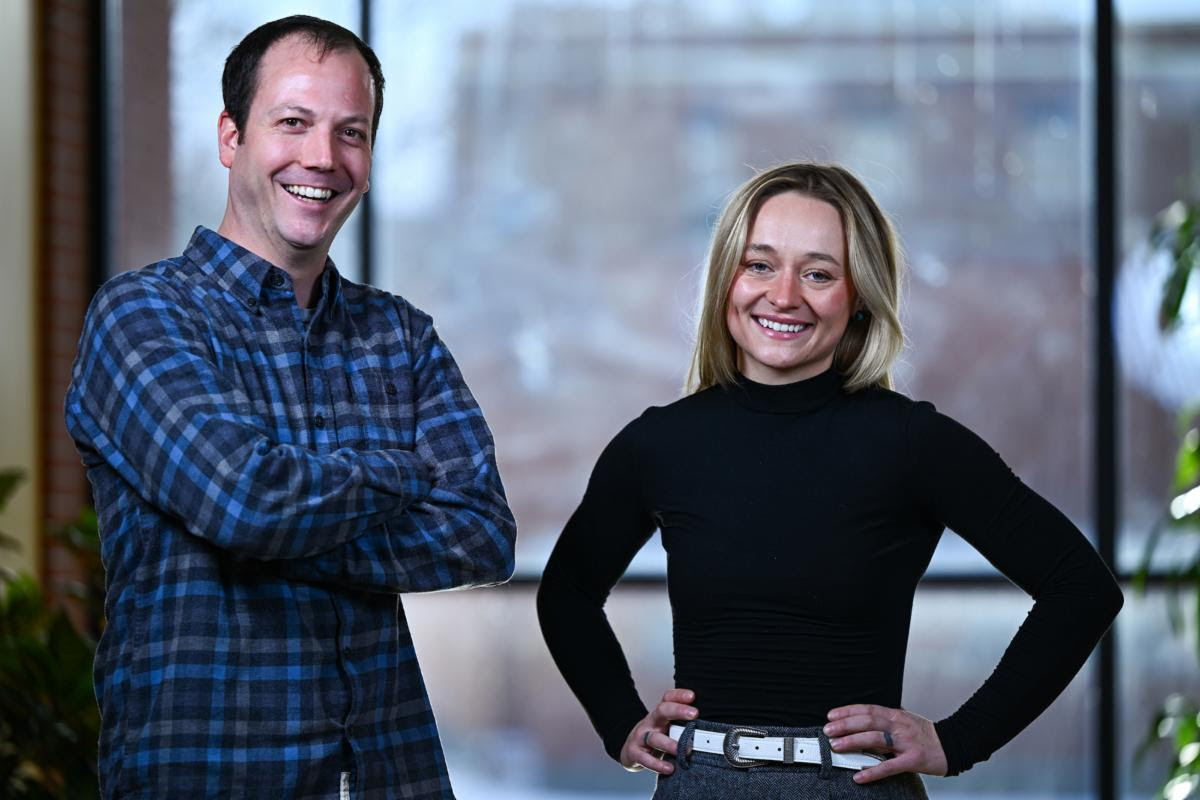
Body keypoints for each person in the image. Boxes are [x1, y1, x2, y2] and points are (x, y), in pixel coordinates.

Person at [537, 162, 1122, 799]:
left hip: (855, 787)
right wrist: (618, 720)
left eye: (818, 273)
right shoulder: (658, 444)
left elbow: (1081, 587)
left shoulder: (913, 443)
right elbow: (566, 591)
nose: (783, 295)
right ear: (725, 278)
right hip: (698, 783)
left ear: (861, 297)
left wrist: (961, 738)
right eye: (759, 265)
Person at [65, 16, 515, 799]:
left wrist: (269, 528)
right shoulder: (141, 316)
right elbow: (244, 500)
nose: (323, 158)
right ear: (230, 136)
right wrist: (399, 473)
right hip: (206, 774)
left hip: (388, 772)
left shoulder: (398, 336)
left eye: (352, 132)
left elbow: (481, 532)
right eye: (294, 123)